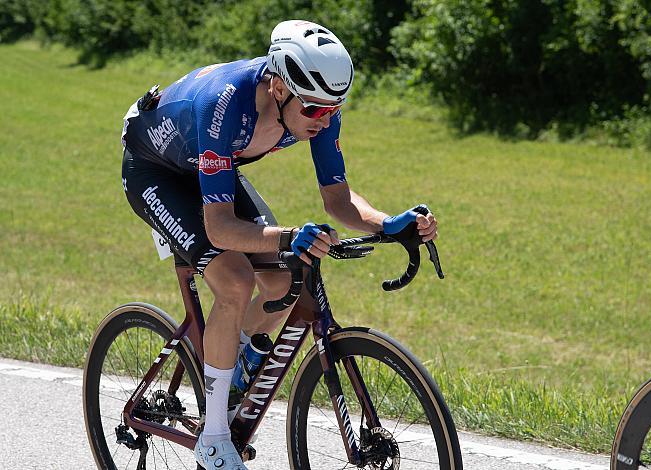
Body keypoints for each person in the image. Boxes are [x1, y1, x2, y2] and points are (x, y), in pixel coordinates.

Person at [120, 19, 438, 470]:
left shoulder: (316, 101)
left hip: (206, 167)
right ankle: (213, 439)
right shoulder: (224, 106)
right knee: (234, 281)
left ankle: (234, 371)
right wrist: (288, 235)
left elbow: (339, 199)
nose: (324, 120)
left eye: (333, 110)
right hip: (154, 170)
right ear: (279, 89)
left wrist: (388, 224)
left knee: (284, 277)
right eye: (314, 111)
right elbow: (220, 228)